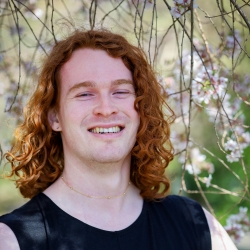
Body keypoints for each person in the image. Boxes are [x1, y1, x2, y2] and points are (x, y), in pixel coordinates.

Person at [0, 29, 237, 250]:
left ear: (141, 109)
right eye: (85, 93)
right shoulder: (12, 239)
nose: (106, 108)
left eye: (120, 91)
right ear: (54, 117)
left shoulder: (197, 226)